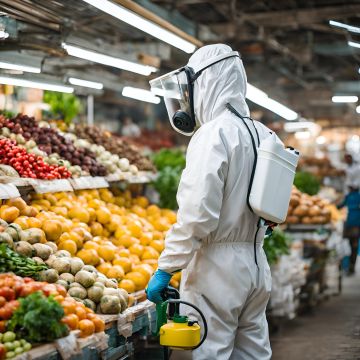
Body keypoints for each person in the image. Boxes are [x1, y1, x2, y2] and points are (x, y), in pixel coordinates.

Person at [146, 44, 274, 359]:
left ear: (207, 82)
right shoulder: (264, 135)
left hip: (217, 268)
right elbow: (273, 207)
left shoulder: (213, 134)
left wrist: (167, 267)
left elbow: (196, 215)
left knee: (211, 352)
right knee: (252, 352)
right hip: (256, 264)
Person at [338, 182, 360, 275]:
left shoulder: (350, 196)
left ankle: (348, 266)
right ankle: (351, 266)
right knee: (353, 246)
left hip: (351, 225)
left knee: (349, 245)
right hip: (355, 225)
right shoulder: (356, 196)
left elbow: (341, 205)